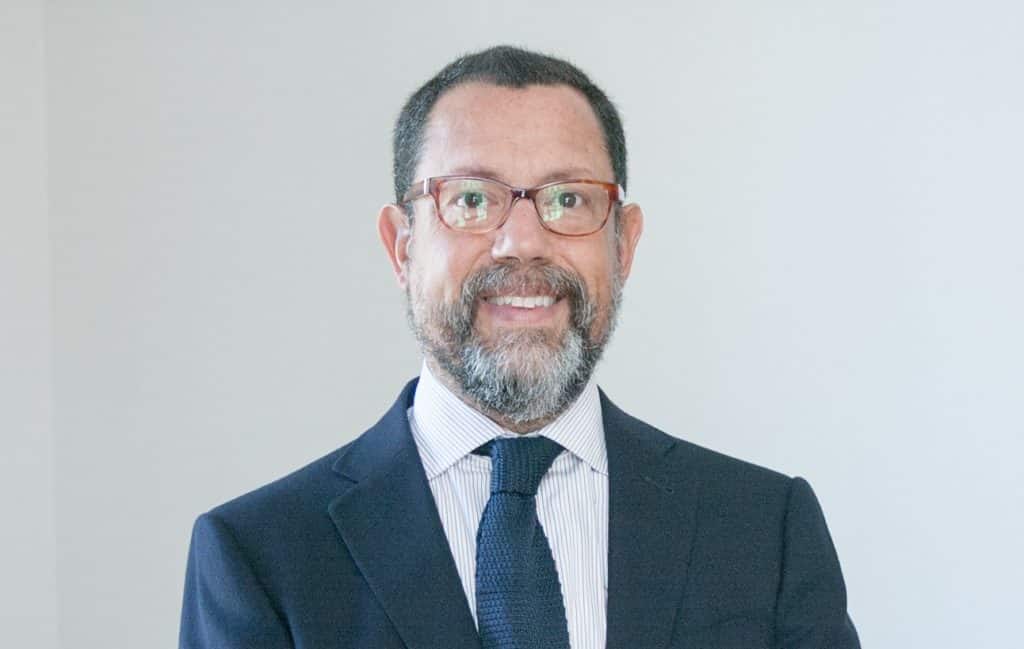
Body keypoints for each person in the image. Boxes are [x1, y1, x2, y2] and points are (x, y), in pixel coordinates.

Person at [179, 45, 860, 649]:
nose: (524, 242)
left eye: (569, 200)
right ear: (401, 246)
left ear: (623, 244)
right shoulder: (262, 556)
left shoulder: (762, 530)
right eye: (472, 200)